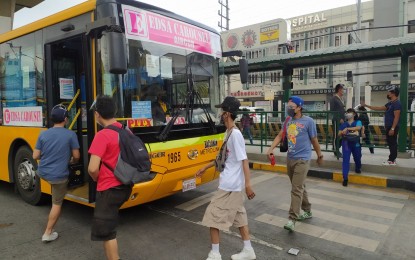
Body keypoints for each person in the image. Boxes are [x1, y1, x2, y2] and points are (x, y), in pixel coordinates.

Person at [195, 96, 256, 260]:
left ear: (227, 114)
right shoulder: (228, 133)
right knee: (240, 218)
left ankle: (215, 254)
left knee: (212, 217)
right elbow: (222, 159)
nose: (220, 114)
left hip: (230, 186)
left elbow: (244, 160)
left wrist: (248, 185)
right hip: (231, 185)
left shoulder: (235, 135)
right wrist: (204, 168)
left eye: (222, 111)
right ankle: (248, 250)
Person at [266, 96, 323, 232]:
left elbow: (314, 140)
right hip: (290, 158)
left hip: (303, 159)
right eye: (288, 107)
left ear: (299, 107)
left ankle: (292, 218)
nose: (289, 109)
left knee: (296, 189)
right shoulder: (288, 121)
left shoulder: (308, 122)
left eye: (291, 107)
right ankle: (307, 210)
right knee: (299, 186)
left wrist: (319, 154)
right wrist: (270, 149)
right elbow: (280, 136)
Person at [88, 95, 132, 260]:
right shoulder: (125, 129)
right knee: (109, 228)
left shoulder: (102, 135)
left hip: (109, 189)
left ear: (98, 114)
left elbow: (92, 168)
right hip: (125, 185)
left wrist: (98, 179)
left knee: (107, 233)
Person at [33, 104, 80, 242]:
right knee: (57, 203)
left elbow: (35, 156)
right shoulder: (71, 135)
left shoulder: (43, 134)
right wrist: (70, 160)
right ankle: (48, 233)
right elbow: (76, 156)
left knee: (55, 187)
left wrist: (49, 156)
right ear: (65, 119)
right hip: (58, 177)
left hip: (42, 173)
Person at [362, 85, 401, 166]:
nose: (388, 93)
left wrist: (393, 129)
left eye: (389, 92)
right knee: (390, 143)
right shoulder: (390, 103)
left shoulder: (397, 103)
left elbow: (396, 117)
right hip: (389, 126)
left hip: (392, 127)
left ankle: (392, 160)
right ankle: (391, 159)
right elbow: (379, 108)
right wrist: (366, 106)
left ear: (393, 93)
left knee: (392, 143)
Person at [338, 108, 362, 187]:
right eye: (347, 112)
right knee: (346, 160)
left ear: (354, 114)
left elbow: (358, 128)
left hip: (356, 143)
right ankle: (345, 178)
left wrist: (348, 129)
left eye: (350, 112)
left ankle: (358, 167)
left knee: (357, 157)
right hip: (346, 143)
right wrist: (342, 132)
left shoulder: (358, 122)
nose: (348, 114)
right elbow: (338, 134)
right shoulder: (343, 124)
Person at [330, 84, 346, 159]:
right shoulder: (334, 98)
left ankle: (336, 148)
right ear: (339, 89)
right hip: (337, 120)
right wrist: (339, 118)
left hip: (342, 120)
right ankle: (336, 150)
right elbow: (332, 110)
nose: (343, 91)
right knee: (336, 135)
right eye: (342, 89)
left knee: (342, 135)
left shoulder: (340, 99)